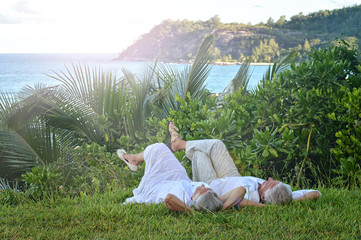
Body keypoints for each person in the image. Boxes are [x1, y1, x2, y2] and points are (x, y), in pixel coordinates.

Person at [167, 121, 321, 206]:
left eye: (270, 184)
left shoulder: (250, 198)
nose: (270, 179)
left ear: (264, 197)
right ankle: (178, 144)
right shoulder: (283, 195)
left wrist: (266, 208)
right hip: (231, 176)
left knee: (199, 153)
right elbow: (316, 194)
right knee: (217, 144)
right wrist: (289, 200)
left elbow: (238, 202)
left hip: (214, 184)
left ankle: (177, 143)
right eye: (273, 182)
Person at [117, 142, 246, 212]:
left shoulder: (184, 200)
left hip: (161, 184)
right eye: (204, 188)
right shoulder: (211, 200)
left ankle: (133, 159)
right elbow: (240, 190)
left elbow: (169, 199)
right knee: (161, 148)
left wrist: (192, 214)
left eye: (200, 190)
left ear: (194, 199)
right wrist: (222, 206)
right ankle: (135, 159)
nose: (201, 185)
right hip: (181, 179)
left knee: (157, 148)